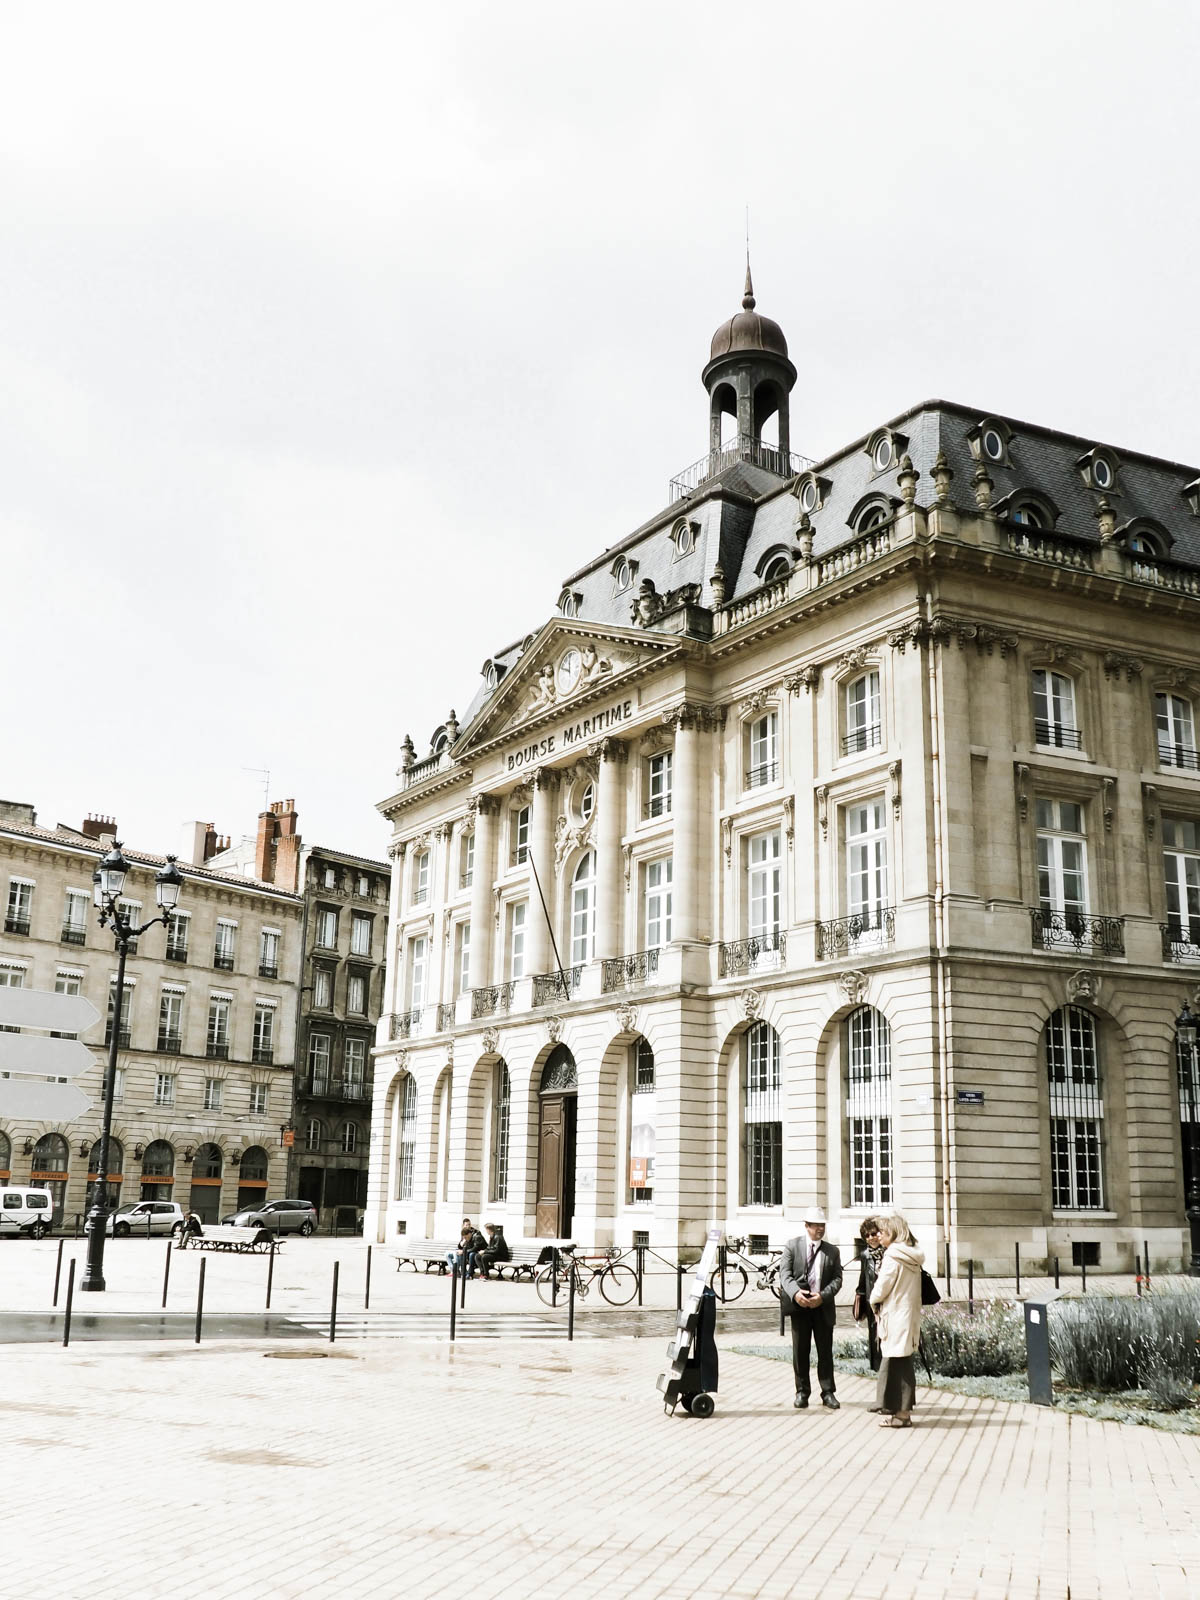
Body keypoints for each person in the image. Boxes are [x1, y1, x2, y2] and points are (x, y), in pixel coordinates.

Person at [778, 1206, 843, 1410]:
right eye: (816, 1225)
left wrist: (822, 1297)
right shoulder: (792, 1246)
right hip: (800, 1306)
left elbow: (837, 1279)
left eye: (822, 1225)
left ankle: (828, 1392)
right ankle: (802, 1392)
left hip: (822, 1307)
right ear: (806, 1226)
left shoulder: (832, 1251)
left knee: (825, 1351)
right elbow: (785, 1275)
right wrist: (796, 1293)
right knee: (800, 1351)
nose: (820, 1229)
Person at [869, 1213, 925, 1428]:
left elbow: (883, 1286)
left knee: (895, 1365)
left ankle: (900, 1414)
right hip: (907, 1314)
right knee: (903, 1362)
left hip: (894, 1315)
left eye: (882, 1232)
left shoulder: (893, 1255)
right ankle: (902, 1413)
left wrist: (873, 1300)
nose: (879, 1236)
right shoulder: (912, 1255)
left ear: (893, 1233)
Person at [855, 1216, 886, 1380]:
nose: (871, 1238)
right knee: (873, 1331)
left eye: (873, 1234)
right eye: (867, 1236)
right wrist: (859, 1295)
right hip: (871, 1299)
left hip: (886, 1299)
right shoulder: (865, 1255)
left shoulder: (888, 1252)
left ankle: (887, 1364)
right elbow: (863, 1277)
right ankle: (876, 1366)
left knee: (886, 1332)